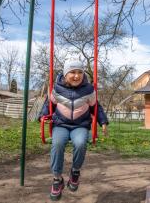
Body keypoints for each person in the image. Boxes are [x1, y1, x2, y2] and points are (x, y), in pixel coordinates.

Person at [39, 60, 108, 201]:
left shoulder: (89, 90)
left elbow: (96, 107)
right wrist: (42, 115)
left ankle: (75, 171)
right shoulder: (57, 89)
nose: (76, 76)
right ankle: (57, 179)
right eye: (72, 72)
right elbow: (49, 103)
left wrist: (103, 121)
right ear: (65, 74)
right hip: (61, 125)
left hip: (80, 125)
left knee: (81, 143)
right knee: (57, 144)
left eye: (80, 72)